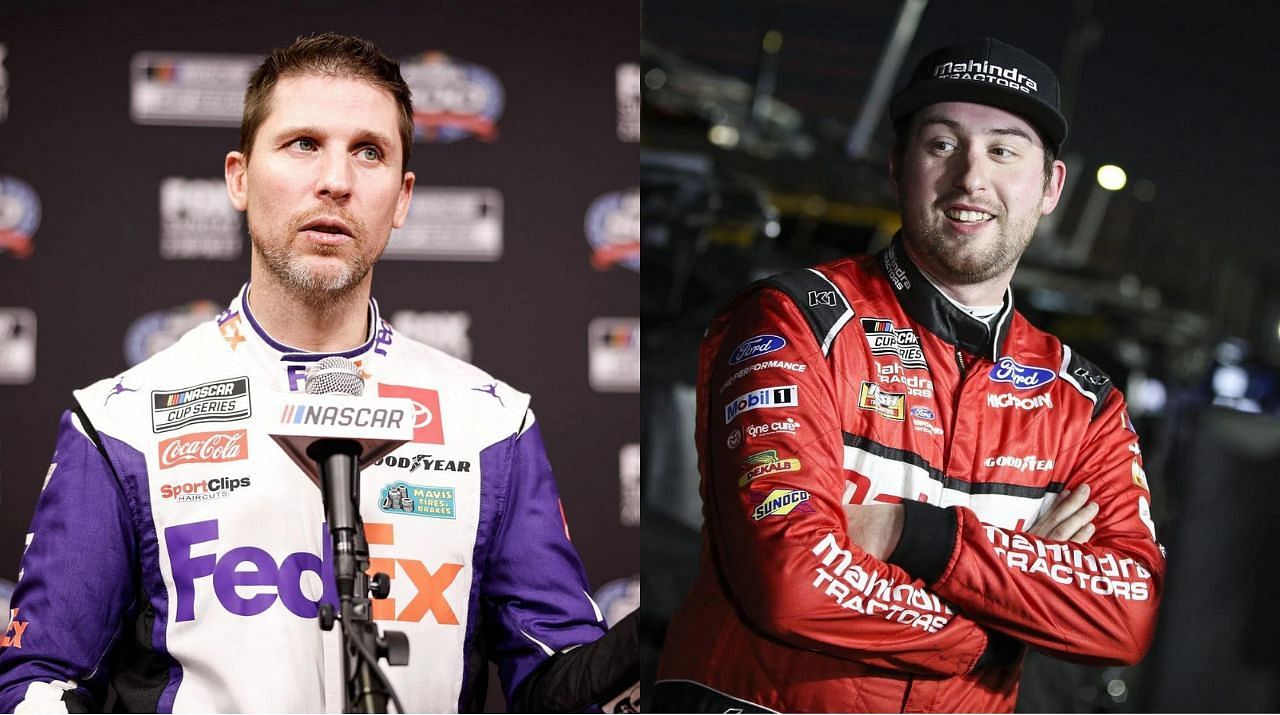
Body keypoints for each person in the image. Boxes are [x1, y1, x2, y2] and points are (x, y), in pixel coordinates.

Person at [0, 33, 619, 713]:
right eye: (302, 144)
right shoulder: (122, 420)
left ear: (403, 197)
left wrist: (635, 660)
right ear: (239, 177)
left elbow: (561, 679)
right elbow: (43, 678)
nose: (335, 180)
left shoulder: (489, 424)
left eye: (369, 151)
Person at [654, 37, 1164, 712]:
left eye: (1004, 151)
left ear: (1051, 188)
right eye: (942, 145)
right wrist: (999, 627)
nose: (971, 178)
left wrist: (910, 533)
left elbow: (1125, 614)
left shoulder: (1086, 403)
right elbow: (791, 580)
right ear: (898, 166)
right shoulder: (793, 320)